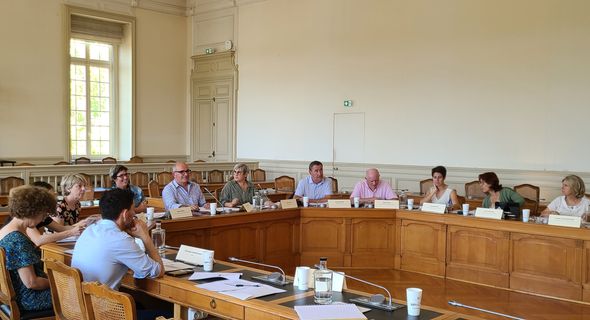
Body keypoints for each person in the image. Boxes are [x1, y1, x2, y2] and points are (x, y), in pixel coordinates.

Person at [72, 188, 163, 290]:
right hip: (103, 304)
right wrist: (145, 236)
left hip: (78, 302)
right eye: (133, 209)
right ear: (125, 214)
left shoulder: (90, 229)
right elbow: (158, 271)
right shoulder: (121, 240)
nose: (134, 214)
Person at [0, 185, 54, 312]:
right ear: (33, 211)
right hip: (29, 299)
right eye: (44, 213)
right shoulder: (17, 240)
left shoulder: (5, 231)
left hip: (17, 294)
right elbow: (32, 282)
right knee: (77, 295)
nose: (44, 218)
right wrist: (57, 282)